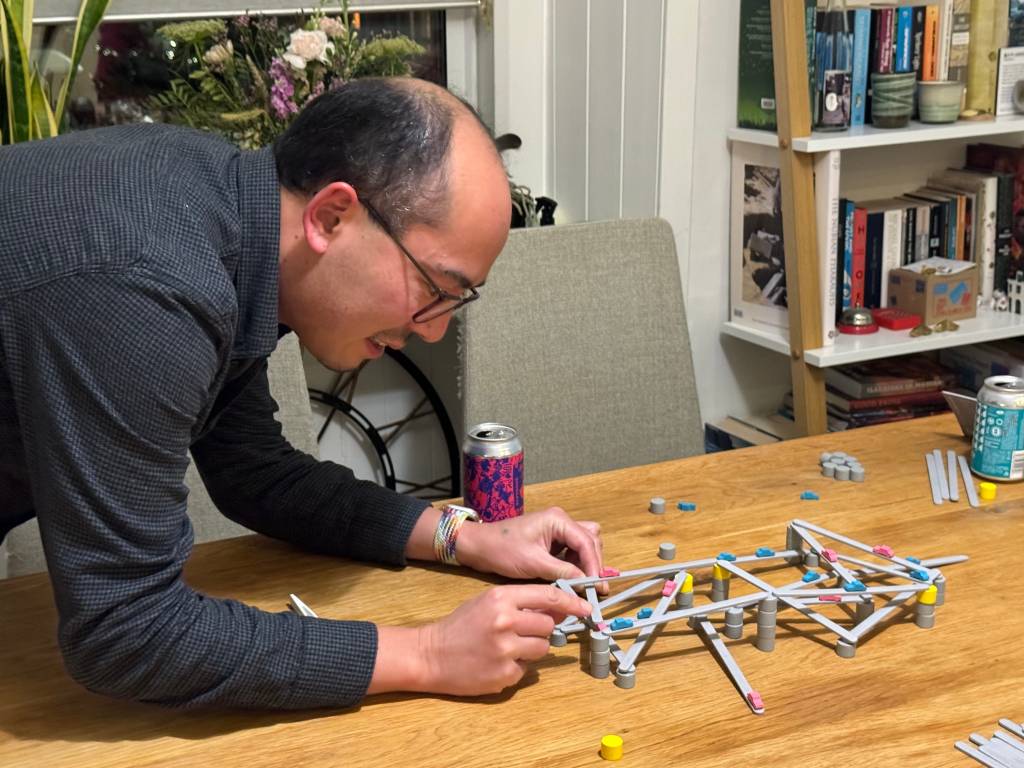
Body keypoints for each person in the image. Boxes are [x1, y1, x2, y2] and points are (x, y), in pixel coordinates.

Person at [0, 77, 601, 709]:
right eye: (435, 289)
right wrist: (428, 653)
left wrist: (467, 537)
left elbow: (251, 470)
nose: (434, 330)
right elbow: (126, 631)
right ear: (331, 216)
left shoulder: (228, 215)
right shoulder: (149, 285)